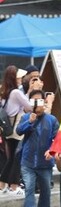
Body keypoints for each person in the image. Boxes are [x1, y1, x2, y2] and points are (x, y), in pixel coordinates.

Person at [16, 89, 59, 207]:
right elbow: (18, 131)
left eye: (39, 101)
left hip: (45, 163)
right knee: (29, 187)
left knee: (45, 189)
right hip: (27, 161)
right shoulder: (26, 117)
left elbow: (57, 138)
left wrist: (51, 150)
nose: (37, 105)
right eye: (34, 102)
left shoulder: (51, 120)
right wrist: (29, 121)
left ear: (44, 102)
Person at [0, 65, 33, 195]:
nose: (22, 78)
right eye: (20, 76)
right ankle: (13, 185)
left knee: (11, 157)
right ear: (15, 78)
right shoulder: (16, 92)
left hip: (7, 128)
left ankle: (3, 184)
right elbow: (29, 107)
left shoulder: (5, 92)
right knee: (16, 158)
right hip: (16, 128)